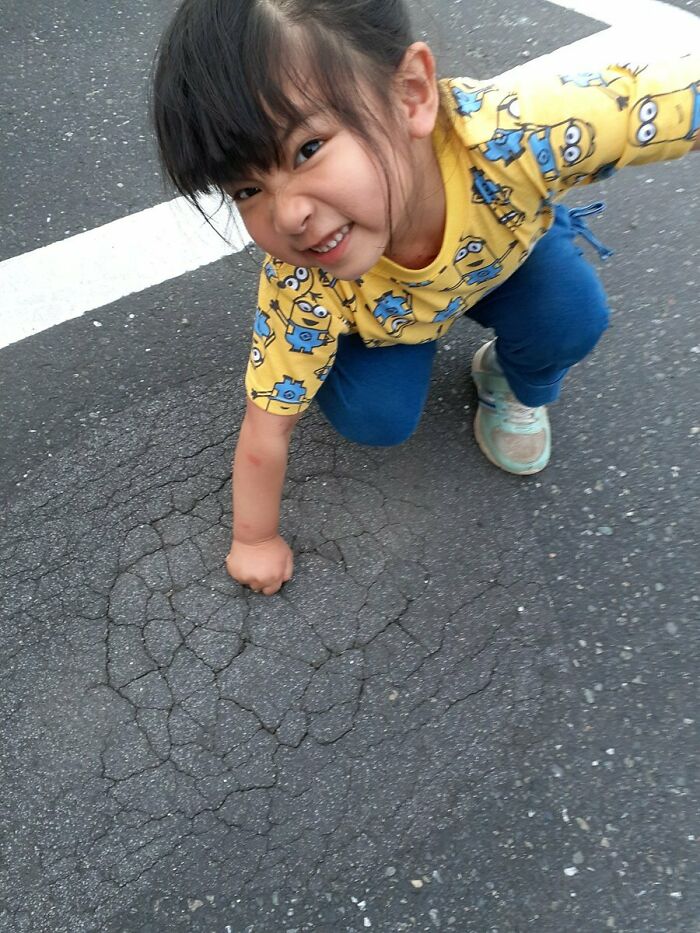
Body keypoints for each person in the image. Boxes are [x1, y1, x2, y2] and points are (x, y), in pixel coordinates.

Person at [152, 0, 699, 595]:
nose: (289, 214)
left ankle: (507, 380)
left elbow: (662, 101)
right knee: (375, 417)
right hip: (389, 321)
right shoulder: (303, 281)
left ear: (411, 94)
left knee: (572, 315)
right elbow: (267, 426)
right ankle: (348, 352)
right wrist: (254, 538)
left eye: (307, 149)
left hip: (501, 258)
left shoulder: (511, 136)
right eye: (247, 188)